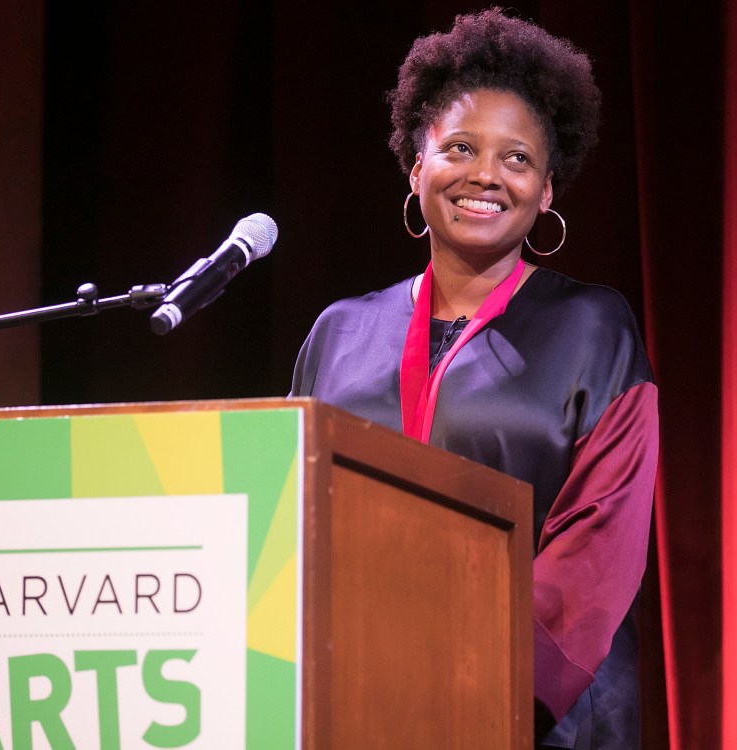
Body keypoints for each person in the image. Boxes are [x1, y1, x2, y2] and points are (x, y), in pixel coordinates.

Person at [290, 9, 659, 749]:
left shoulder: (592, 328)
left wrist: (473, 676)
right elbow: (292, 522)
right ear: (416, 165)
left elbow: (597, 550)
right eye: (459, 147)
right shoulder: (339, 334)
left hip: (537, 714)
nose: (485, 174)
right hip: (359, 699)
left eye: (516, 159)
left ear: (548, 190)